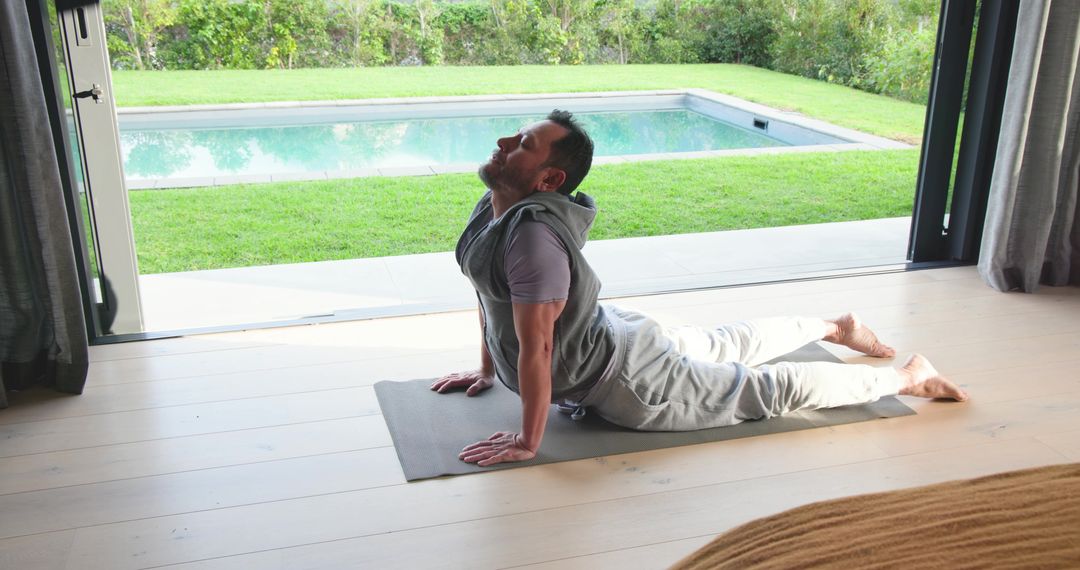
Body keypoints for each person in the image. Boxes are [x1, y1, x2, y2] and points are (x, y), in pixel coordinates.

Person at [432, 109, 968, 467]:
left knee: (758, 390)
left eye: (522, 144)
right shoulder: (493, 209)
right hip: (613, 332)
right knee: (720, 344)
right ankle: (836, 327)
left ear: (549, 181)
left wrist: (528, 442)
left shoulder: (531, 240)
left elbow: (539, 347)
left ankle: (907, 378)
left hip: (626, 378)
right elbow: (488, 293)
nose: (503, 143)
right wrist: (485, 368)